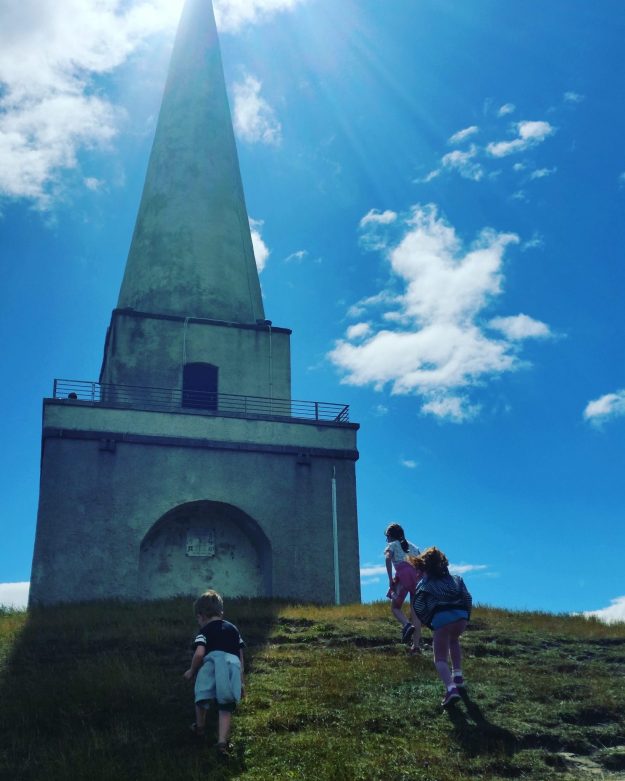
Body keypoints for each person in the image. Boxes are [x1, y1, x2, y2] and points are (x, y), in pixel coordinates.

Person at [183, 590, 245, 755]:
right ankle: (222, 742)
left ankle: (200, 728)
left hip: (212, 663)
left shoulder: (203, 632)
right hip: (232, 666)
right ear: (221, 612)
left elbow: (199, 654)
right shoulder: (233, 629)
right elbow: (240, 656)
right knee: (226, 705)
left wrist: (192, 670)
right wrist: (241, 680)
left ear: (201, 616)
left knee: (201, 695)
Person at [409, 547, 472, 707]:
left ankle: (451, 689)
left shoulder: (425, 583)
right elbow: (467, 596)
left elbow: (419, 602)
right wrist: (466, 615)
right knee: (454, 640)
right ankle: (457, 675)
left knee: (440, 659)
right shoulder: (456, 579)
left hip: (442, 620)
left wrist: (429, 621)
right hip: (461, 618)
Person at [384, 523, 421, 644]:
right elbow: (422, 562)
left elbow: (388, 558)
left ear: (391, 536)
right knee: (415, 613)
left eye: (387, 536)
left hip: (403, 575)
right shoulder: (413, 547)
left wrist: (390, 579)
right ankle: (415, 646)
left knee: (395, 607)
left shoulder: (392, 545)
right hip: (416, 577)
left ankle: (406, 625)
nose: (386, 539)